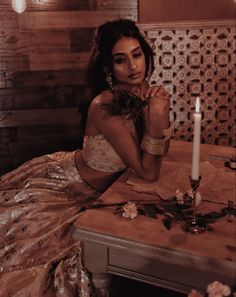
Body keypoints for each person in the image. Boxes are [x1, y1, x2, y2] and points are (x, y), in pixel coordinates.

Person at [0, 19, 170, 296]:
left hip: (110, 188)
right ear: (108, 68)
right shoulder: (104, 106)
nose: (133, 67)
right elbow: (148, 171)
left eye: (137, 55)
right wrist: (159, 115)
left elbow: (162, 152)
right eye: (121, 60)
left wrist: (159, 113)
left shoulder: (142, 89)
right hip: (70, 189)